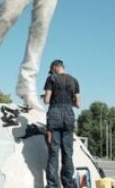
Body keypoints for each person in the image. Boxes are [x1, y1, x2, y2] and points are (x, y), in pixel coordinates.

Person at [43, 59, 80, 188]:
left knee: (53, 153)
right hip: (69, 116)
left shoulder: (51, 78)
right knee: (68, 153)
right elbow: (78, 104)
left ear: (54, 67)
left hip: (55, 116)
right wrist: (69, 101)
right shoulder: (74, 80)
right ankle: (68, 184)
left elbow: (47, 100)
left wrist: (45, 96)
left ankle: (52, 185)